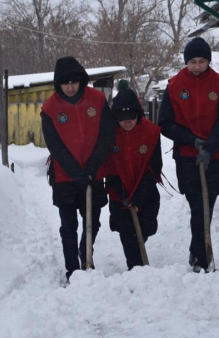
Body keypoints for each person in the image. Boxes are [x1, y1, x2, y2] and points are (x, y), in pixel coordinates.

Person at [158, 37, 219, 272]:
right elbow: (165, 123)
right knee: (197, 204)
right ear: (186, 62)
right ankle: (200, 253)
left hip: (216, 153)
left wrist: (210, 148)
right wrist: (192, 140)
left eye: (202, 61)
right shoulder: (174, 85)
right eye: (192, 62)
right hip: (187, 154)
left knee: (207, 204)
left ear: (208, 61)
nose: (197, 66)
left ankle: (199, 253)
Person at [40, 56, 115, 282]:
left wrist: (92, 167)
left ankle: (86, 253)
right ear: (58, 84)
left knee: (93, 219)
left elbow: (107, 134)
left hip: (94, 172)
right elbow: (55, 146)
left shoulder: (98, 99)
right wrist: (76, 172)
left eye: (74, 81)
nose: (71, 87)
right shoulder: (50, 109)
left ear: (81, 80)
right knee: (69, 224)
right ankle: (72, 269)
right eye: (66, 83)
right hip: (65, 176)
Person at [105, 89, 162, 270]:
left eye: (131, 116)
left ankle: (138, 251)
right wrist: (123, 194)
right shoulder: (109, 135)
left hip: (145, 193)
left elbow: (154, 168)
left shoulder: (151, 133)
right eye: (122, 117)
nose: (127, 121)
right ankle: (136, 269)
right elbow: (109, 168)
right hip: (119, 193)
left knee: (142, 230)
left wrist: (138, 197)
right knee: (126, 232)